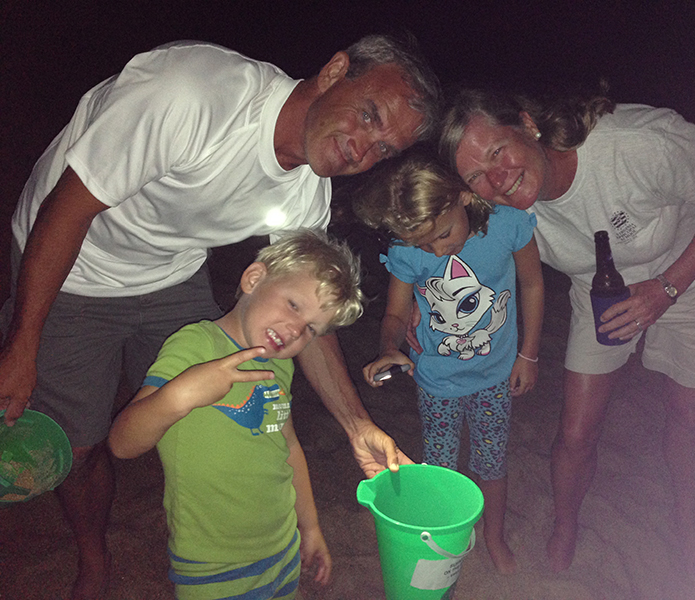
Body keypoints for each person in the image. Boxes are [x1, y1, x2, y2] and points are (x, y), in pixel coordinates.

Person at [0, 34, 440, 599]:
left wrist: (357, 426)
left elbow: (307, 315)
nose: (363, 150)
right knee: (79, 446)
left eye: (383, 148)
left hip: (170, 270)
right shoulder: (192, 93)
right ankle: (93, 554)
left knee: (226, 402)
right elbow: (68, 206)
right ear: (334, 72)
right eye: (368, 115)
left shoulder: (307, 193)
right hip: (76, 263)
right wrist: (23, 342)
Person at [436, 88, 695, 574]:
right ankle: (566, 524)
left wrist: (668, 288)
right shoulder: (501, 210)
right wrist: (418, 304)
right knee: (576, 430)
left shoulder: (633, 144)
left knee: (689, 414)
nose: (497, 179)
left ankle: (686, 517)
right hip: (600, 293)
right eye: (476, 175)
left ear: (527, 125)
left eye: (498, 151)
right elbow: (450, 246)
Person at [108, 230, 363, 599]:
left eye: (311, 329)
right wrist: (179, 395)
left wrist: (309, 527)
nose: (295, 330)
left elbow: (288, 447)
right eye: (294, 305)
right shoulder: (197, 345)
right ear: (254, 279)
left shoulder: (279, 366)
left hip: (282, 547)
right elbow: (122, 443)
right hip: (215, 564)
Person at [355, 152, 545, 574]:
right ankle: (448, 534)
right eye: (425, 244)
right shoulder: (408, 250)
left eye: (442, 234)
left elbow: (532, 284)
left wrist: (528, 354)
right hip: (437, 381)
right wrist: (388, 347)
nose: (438, 250)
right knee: (440, 465)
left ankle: (493, 535)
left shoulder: (507, 224)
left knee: (491, 461)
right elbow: (395, 314)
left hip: (495, 376)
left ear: (463, 196)